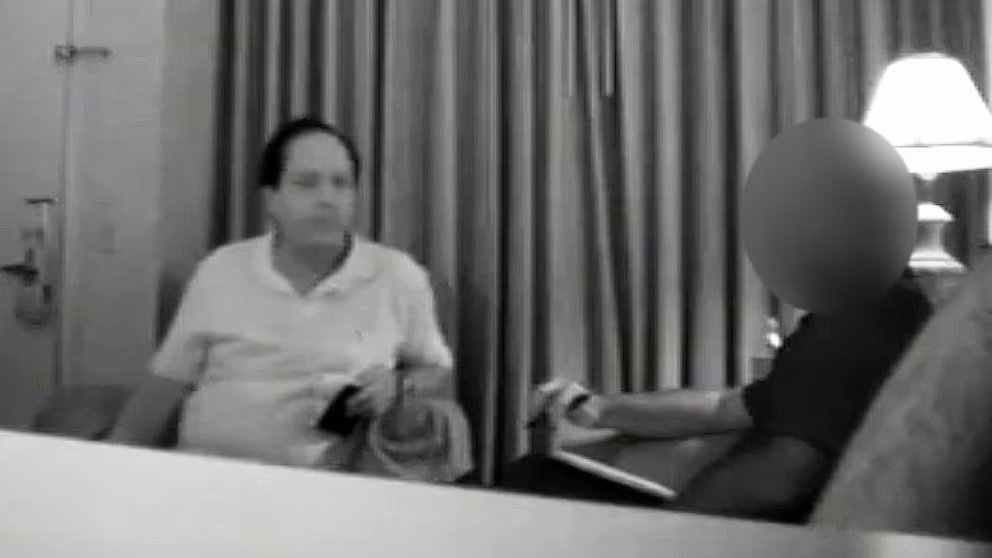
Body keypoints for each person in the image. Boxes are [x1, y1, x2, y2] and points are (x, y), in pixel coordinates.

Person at [109, 117, 457, 472]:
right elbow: (167, 383)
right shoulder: (221, 269)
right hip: (209, 473)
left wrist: (398, 385)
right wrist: (109, 466)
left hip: (327, 483)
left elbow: (436, 369)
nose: (327, 198)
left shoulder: (396, 275)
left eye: (341, 184)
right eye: (307, 183)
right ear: (271, 198)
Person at [519, 269, 931, 523]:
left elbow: (781, 478)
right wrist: (601, 408)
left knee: (531, 486)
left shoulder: (868, 311)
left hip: (746, 533)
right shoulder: (855, 311)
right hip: (726, 520)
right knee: (536, 477)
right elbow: (723, 408)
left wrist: (667, 534)